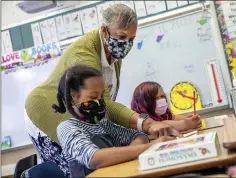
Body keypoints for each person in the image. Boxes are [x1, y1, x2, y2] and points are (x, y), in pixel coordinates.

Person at [24, 4, 178, 177]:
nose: (126, 43)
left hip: (85, 119)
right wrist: (147, 135)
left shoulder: (113, 53)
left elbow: (130, 132)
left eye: (132, 38)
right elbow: (94, 157)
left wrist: (137, 145)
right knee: (79, 167)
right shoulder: (82, 56)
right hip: (46, 111)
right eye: (121, 36)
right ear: (105, 31)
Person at [54, 65, 176, 177]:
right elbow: (94, 159)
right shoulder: (66, 128)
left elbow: (138, 136)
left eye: (101, 96)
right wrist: (148, 147)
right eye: (93, 97)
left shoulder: (103, 124)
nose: (99, 101)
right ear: (72, 99)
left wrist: (124, 154)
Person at [131, 82, 202, 132]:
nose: (161, 100)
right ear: (143, 102)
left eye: (162, 96)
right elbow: (159, 124)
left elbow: (173, 117)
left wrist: (190, 119)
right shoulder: (140, 116)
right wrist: (184, 124)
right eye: (155, 98)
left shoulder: (163, 114)